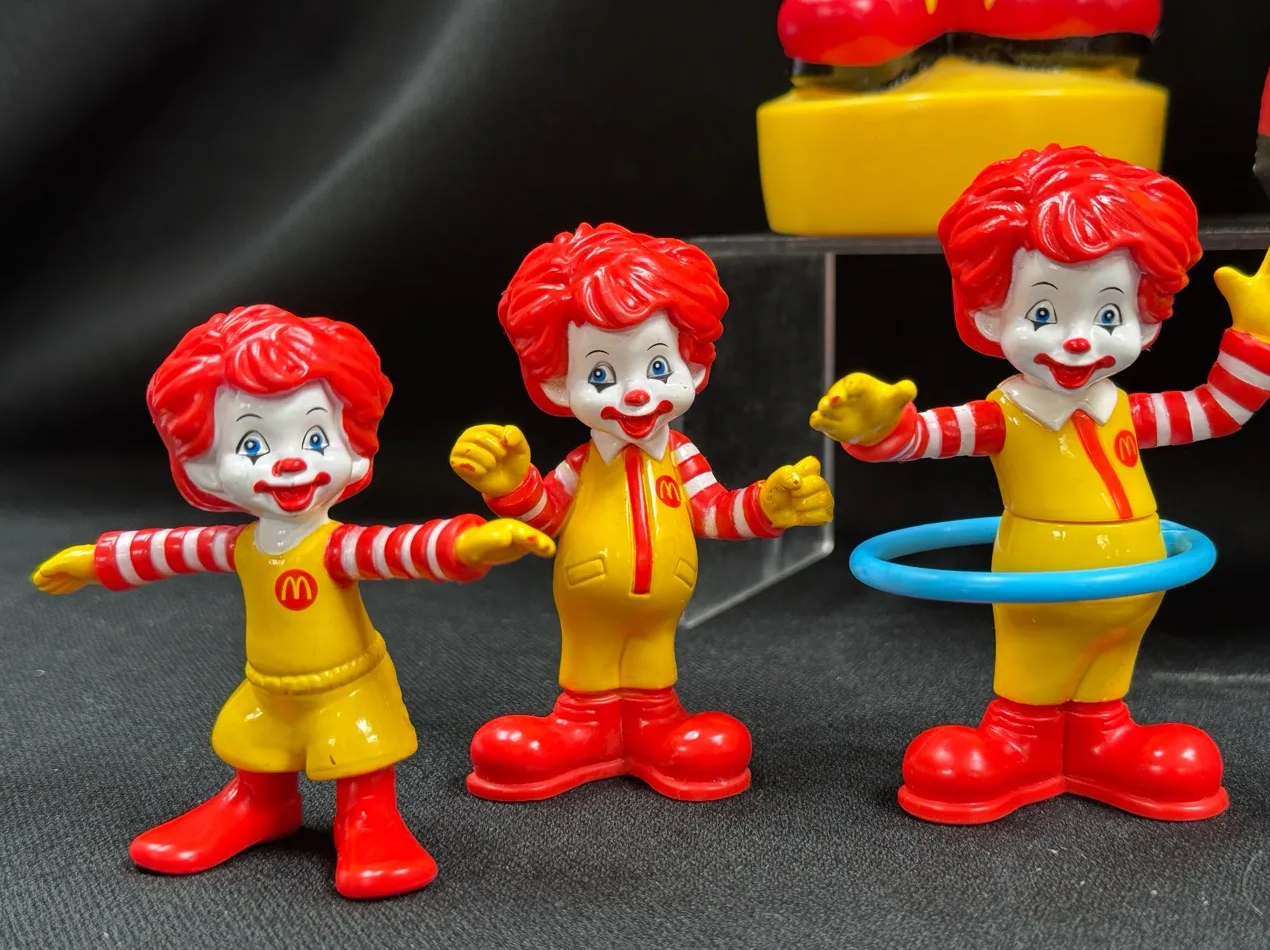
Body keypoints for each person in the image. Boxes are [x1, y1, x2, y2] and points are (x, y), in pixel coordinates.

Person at [810, 145, 1270, 823]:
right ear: (990, 316)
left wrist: (1261, 336)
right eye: (1043, 315)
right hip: (1043, 581)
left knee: (1106, 672)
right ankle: (1017, 739)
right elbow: (925, 436)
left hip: (1133, 586)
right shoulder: (1005, 415)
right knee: (1037, 665)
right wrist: (879, 427)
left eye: (1108, 316)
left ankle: (1102, 737)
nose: (1079, 341)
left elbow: (1219, 409)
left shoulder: (1125, 410)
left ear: (1147, 318)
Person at [31, 303, 555, 898]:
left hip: (346, 686)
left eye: (315, 437)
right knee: (256, 745)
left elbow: (399, 547)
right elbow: (170, 549)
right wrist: (95, 561)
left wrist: (469, 544)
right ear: (204, 467)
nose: (289, 463)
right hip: (269, 688)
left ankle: (369, 819)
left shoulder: (335, 546)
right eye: (252, 445)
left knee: (359, 753)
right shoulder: (242, 545)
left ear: (354, 444)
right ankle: (257, 803)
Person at [449, 223, 833, 801]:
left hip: (661, 611)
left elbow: (712, 510)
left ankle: (655, 725)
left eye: (657, 368)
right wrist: (510, 485)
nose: (634, 394)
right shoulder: (582, 464)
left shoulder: (681, 457)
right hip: (587, 604)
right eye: (601, 375)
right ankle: (582, 725)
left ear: (694, 366)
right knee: (586, 669)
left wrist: (769, 504)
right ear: (558, 385)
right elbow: (548, 515)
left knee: (662, 677)